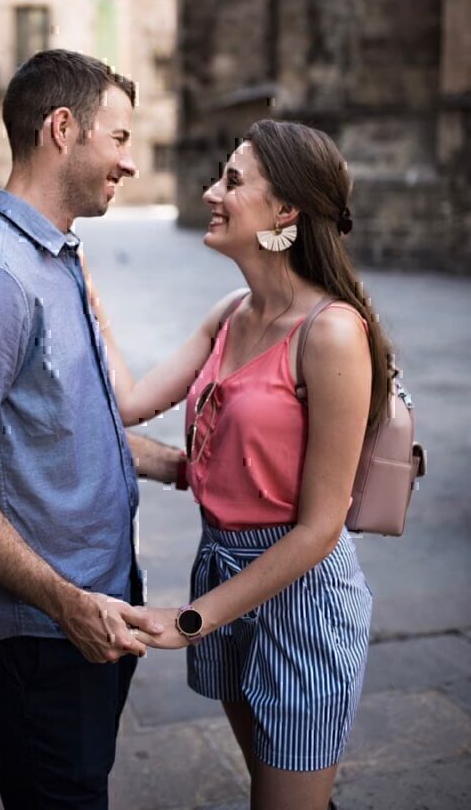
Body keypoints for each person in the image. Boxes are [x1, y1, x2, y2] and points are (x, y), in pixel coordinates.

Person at [0, 49, 183, 810]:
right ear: (64, 129)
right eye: (118, 138)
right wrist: (66, 602)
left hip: (94, 607)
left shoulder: (53, 256)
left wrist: (178, 466)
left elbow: (59, 421)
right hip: (45, 631)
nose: (128, 162)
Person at [86, 118, 389, 810]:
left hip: (299, 598)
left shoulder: (332, 332)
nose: (209, 192)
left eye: (231, 181)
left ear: (285, 211)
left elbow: (319, 528)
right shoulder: (231, 312)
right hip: (223, 568)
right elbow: (129, 402)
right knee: (273, 789)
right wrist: (84, 295)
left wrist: (190, 620)